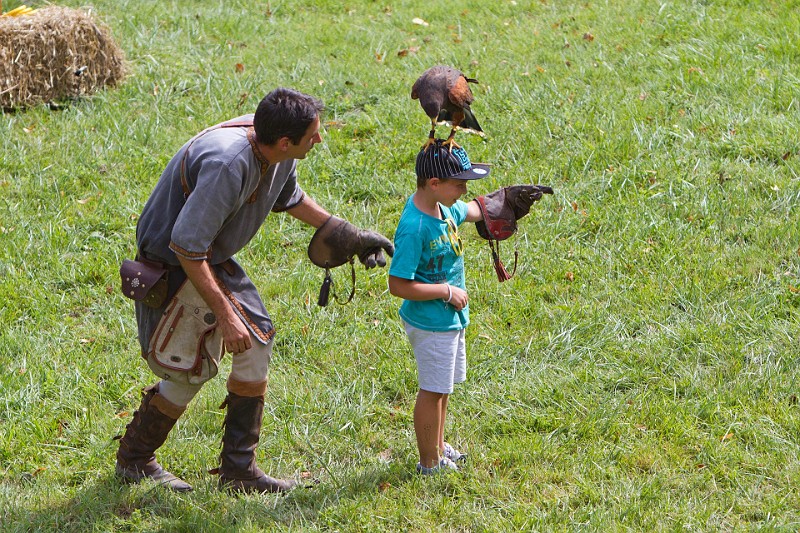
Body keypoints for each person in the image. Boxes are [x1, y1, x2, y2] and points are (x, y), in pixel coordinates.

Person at [116, 87, 394, 493]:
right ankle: (135, 459)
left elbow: (289, 197)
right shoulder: (228, 165)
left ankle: (238, 470)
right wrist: (227, 317)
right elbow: (186, 247)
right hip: (176, 265)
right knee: (187, 371)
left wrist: (347, 234)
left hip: (207, 254)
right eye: (313, 134)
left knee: (255, 346)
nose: (319, 139)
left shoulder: (274, 147)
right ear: (285, 142)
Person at [387, 140, 490, 474]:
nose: (464, 189)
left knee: (443, 390)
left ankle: (438, 444)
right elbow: (398, 284)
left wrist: (499, 204)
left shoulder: (443, 208)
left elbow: (469, 210)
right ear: (434, 184)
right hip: (431, 322)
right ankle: (429, 461)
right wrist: (445, 291)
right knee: (432, 392)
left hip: (450, 320)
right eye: (459, 184)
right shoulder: (416, 227)